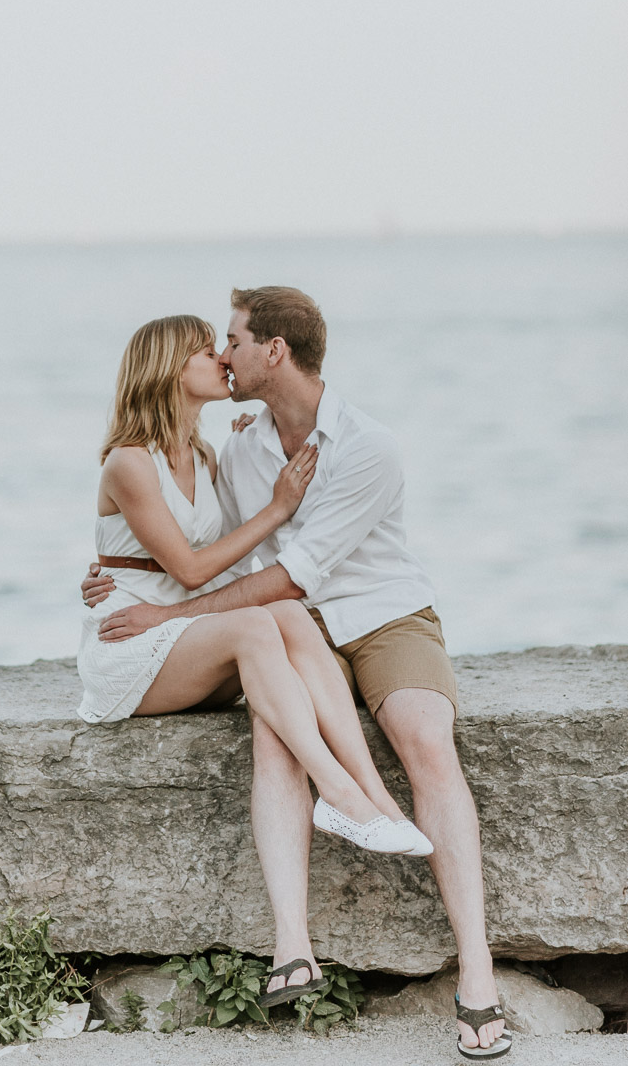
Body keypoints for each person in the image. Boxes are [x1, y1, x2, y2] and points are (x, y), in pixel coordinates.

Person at [83, 288, 511, 1061]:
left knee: (425, 740)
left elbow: (292, 574)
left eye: (235, 340)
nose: (224, 354)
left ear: (272, 351)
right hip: (291, 624)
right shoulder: (237, 445)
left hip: (381, 614)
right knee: (275, 730)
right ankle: (292, 946)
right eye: (215, 344)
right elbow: (180, 547)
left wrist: (166, 610)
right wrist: (120, 579)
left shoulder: (367, 446)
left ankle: (476, 971)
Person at [77, 315, 434, 951]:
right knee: (254, 624)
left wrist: (251, 441)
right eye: (203, 350)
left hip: (186, 643)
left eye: (224, 345)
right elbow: (187, 570)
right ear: (167, 369)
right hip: (131, 649)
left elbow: (219, 555)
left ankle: (375, 801)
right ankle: (340, 792)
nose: (220, 357)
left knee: (290, 614)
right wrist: (278, 508)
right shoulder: (130, 463)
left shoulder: (212, 452)